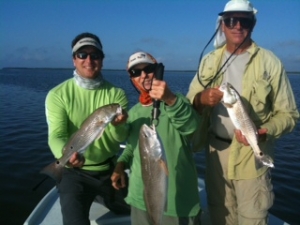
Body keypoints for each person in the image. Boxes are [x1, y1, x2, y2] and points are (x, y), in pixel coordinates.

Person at [186, 0, 299, 225]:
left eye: (244, 20)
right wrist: (200, 99)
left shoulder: (270, 62)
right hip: (215, 155)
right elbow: (188, 107)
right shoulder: (209, 61)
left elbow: (290, 115)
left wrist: (264, 131)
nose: (237, 25)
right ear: (222, 25)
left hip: (251, 158)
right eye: (231, 20)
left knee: (252, 219)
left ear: (253, 24)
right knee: (220, 216)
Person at [45, 32, 130, 225]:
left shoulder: (117, 94)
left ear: (102, 60)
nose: (89, 60)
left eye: (95, 55)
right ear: (74, 60)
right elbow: (56, 135)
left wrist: (118, 126)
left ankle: (102, 195)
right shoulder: (57, 94)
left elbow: (121, 137)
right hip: (74, 175)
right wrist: (65, 156)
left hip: (109, 170)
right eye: (82, 55)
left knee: (140, 209)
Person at [111, 51, 202, 225]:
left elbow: (192, 128)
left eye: (149, 69)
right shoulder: (135, 112)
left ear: (157, 71)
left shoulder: (176, 102)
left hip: (177, 202)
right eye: (136, 72)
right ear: (132, 79)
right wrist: (121, 164)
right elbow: (132, 147)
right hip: (140, 199)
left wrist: (169, 98)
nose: (143, 75)